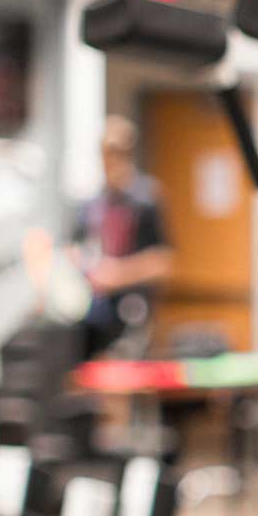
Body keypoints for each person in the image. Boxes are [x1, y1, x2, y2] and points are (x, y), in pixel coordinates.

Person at [71, 115, 173, 358]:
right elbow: (74, 247)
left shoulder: (146, 199)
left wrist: (118, 274)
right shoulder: (92, 204)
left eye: (116, 153)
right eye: (105, 153)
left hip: (132, 309)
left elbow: (164, 262)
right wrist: (85, 266)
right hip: (93, 311)